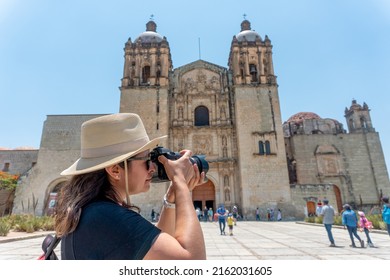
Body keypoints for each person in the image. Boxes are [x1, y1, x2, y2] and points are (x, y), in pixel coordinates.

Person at [55, 113, 206, 260]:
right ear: (115, 170)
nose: (153, 168)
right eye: (146, 160)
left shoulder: (92, 212)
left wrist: (171, 197)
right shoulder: (108, 218)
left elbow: (155, 253)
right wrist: (180, 182)